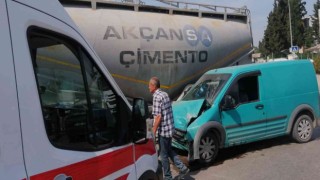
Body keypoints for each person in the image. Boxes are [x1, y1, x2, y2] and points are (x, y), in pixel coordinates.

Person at [148, 77, 189, 180]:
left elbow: (158, 117)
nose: (148, 87)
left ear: (153, 86)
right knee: (169, 150)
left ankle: (168, 177)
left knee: (163, 155)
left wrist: (153, 131)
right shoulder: (165, 94)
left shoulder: (156, 97)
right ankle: (183, 168)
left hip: (164, 132)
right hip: (170, 129)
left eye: (149, 85)